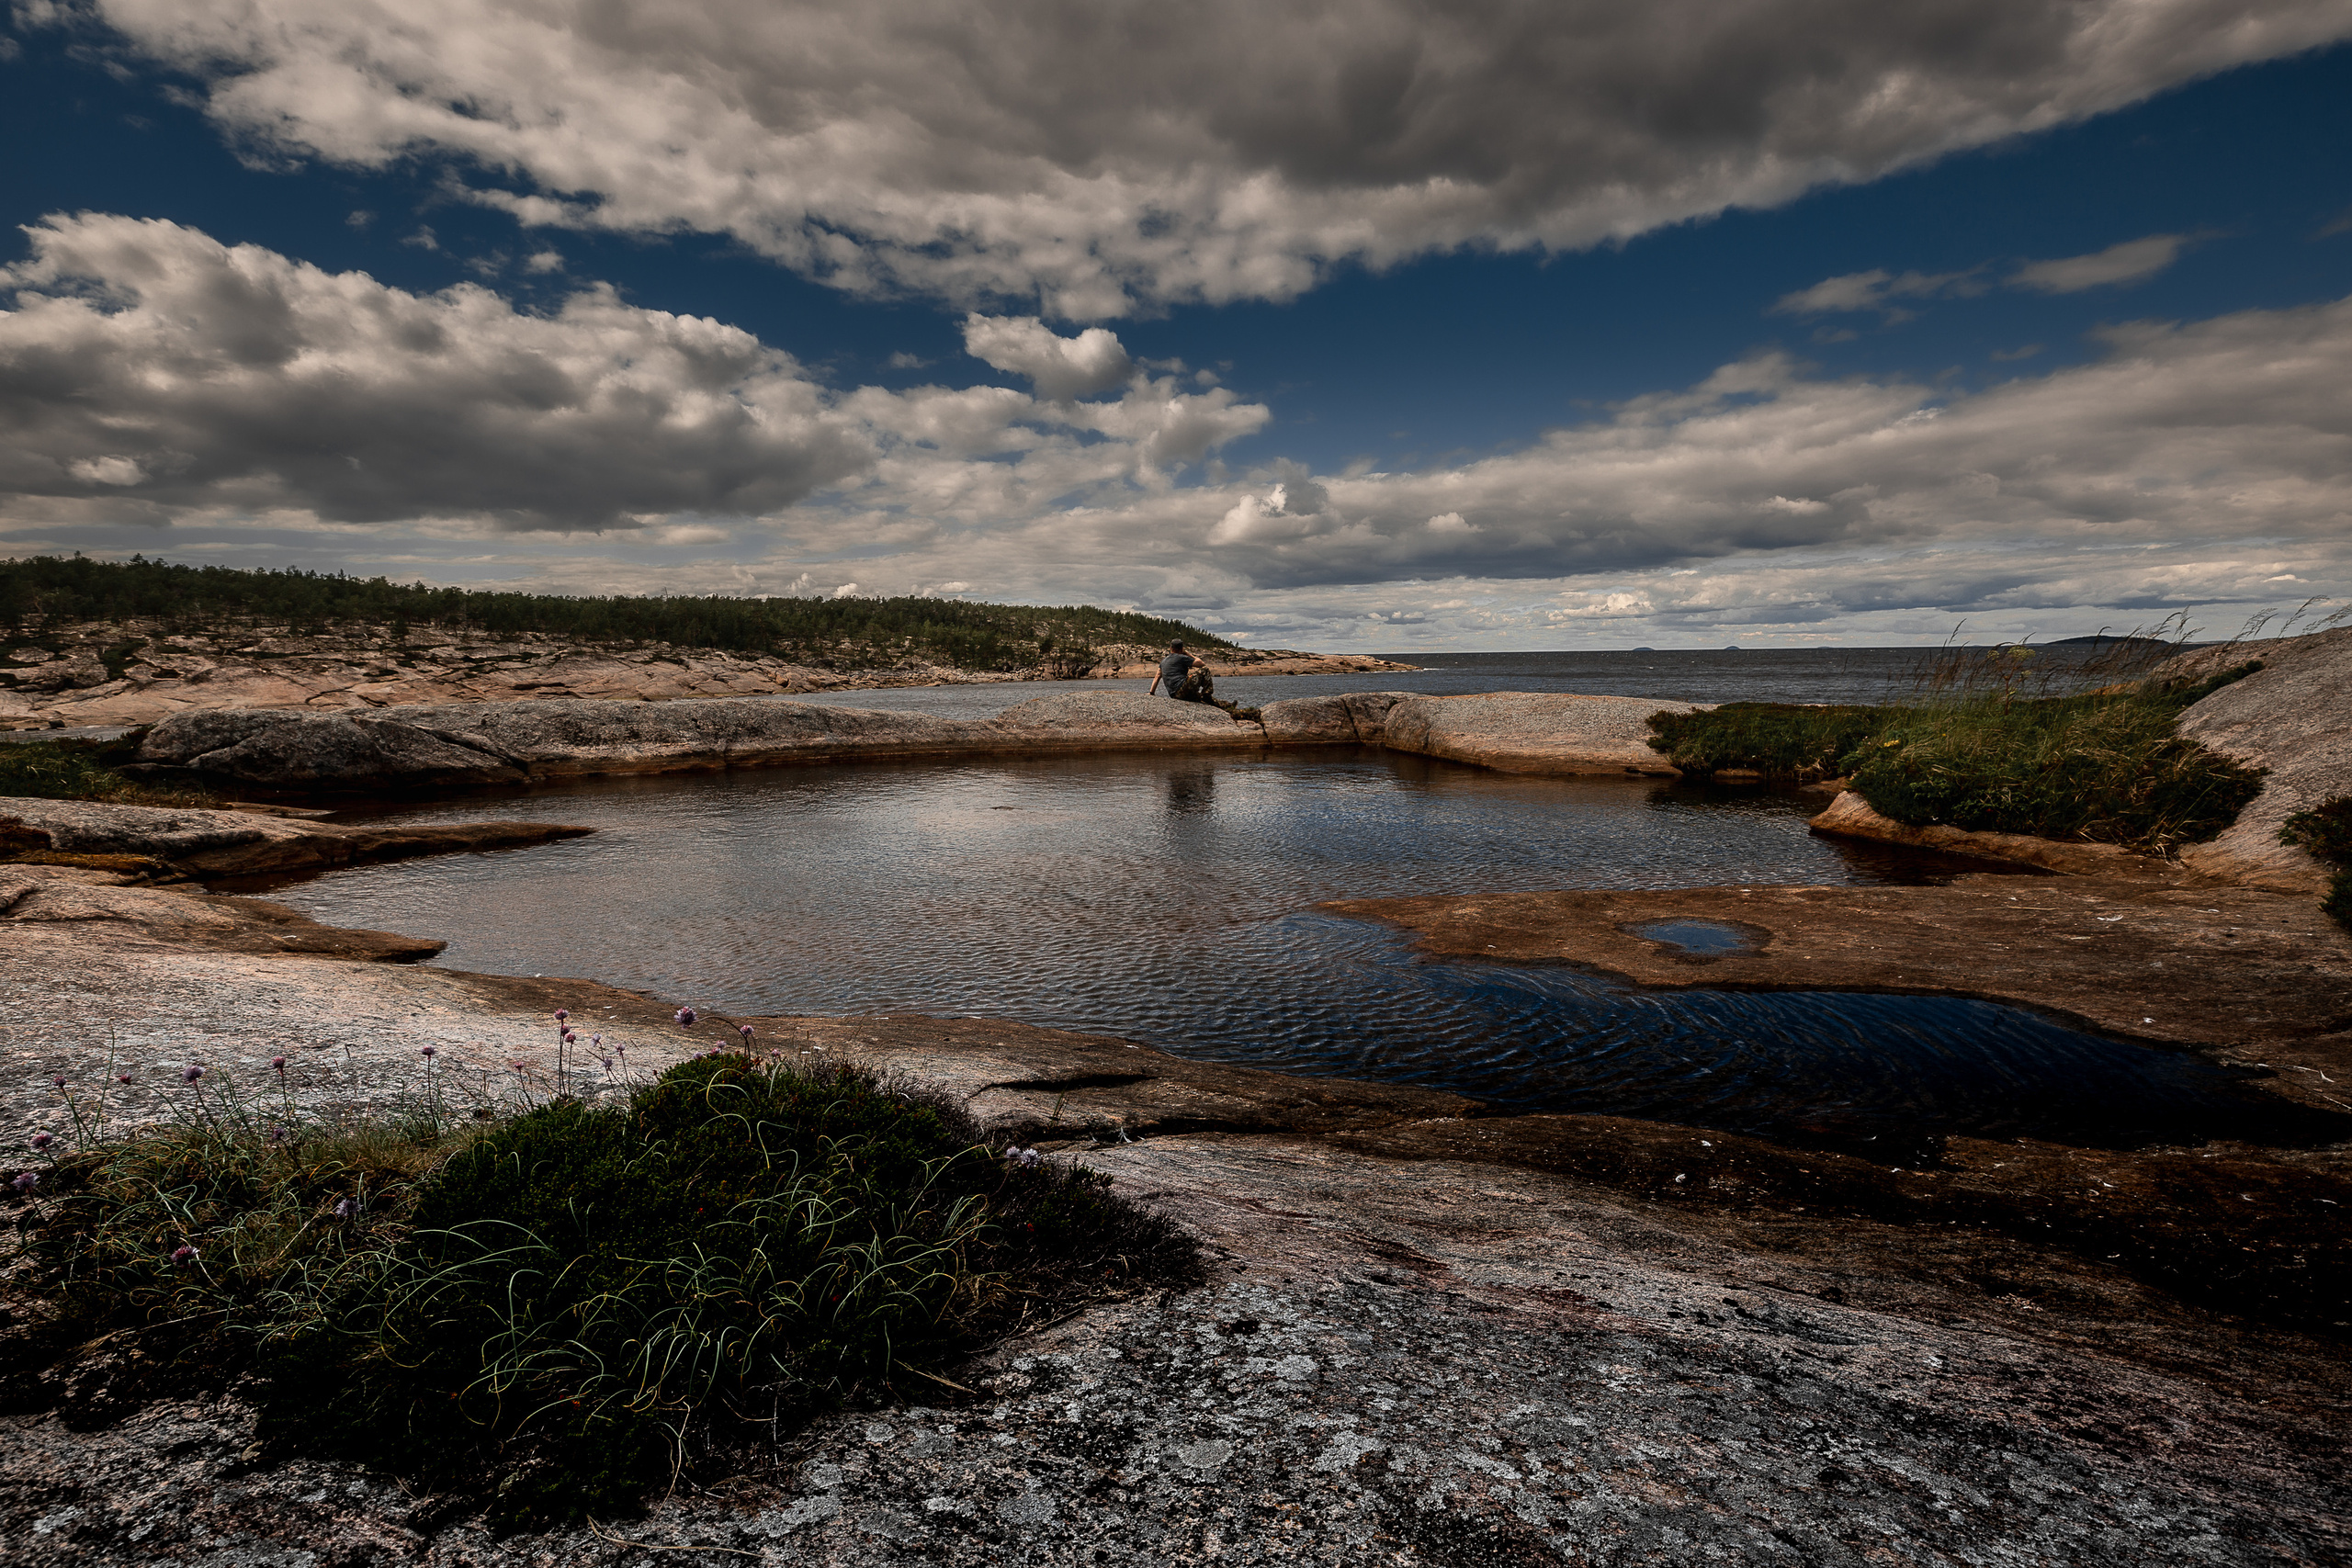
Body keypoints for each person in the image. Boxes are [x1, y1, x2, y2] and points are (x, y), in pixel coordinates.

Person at [1148, 640, 1213, 703]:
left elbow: (1157, 677)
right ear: (1181, 649)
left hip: (1175, 695)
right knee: (1205, 670)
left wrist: (1151, 692)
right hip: (1183, 689)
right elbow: (1202, 664)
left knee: (1203, 698)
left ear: (1170, 648)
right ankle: (1207, 694)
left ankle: (1206, 699)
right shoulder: (1181, 657)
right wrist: (1187, 654)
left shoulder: (1163, 661)